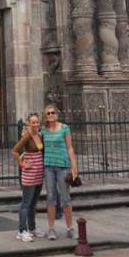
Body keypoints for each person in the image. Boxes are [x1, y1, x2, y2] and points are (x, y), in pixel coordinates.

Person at [42, 103, 78, 240]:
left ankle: (70, 228)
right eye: (48, 113)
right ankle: (51, 229)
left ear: (57, 114)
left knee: (65, 198)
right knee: (50, 197)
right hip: (49, 167)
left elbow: (69, 147)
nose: (51, 115)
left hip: (63, 167)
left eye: (53, 113)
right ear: (45, 116)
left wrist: (74, 167)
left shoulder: (64, 128)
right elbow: (35, 140)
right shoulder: (43, 130)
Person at [12, 113, 45, 242]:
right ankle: (21, 230)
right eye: (33, 122)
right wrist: (22, 164)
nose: (36, 124)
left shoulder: (39, 136)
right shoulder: (27, 136)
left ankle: (32, 227)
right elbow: (15, 150)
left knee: (33, 203)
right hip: (29, 175)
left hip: (38, 174)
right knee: (26, 203)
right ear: (28, 124)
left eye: (37, 122)